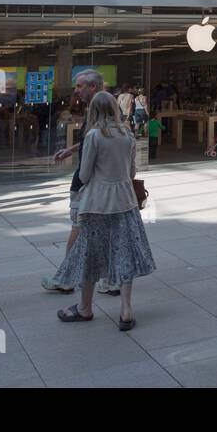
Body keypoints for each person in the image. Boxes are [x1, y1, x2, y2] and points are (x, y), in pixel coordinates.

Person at [51, 92, 155, 328]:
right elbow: (131, 173)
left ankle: (85, 308)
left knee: (91, 254)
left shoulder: (94, 136)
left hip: (97, 203)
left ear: (93, 112)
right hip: (125, 201)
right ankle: (126, 310)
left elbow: (85, 174)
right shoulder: (127, 134)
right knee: (124, 252)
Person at [42, 69, 107, 294]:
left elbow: (99, 142)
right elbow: (95, 139)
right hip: (97, 181)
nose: (76, 91)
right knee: (94, 229)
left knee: (78, 227)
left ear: (93, 87)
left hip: (88, 181)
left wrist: (84, 177)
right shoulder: (99, 111)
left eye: (80, 86)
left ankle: (67, 278)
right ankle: (110, 280)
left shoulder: (99, 110)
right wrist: (72, 149)